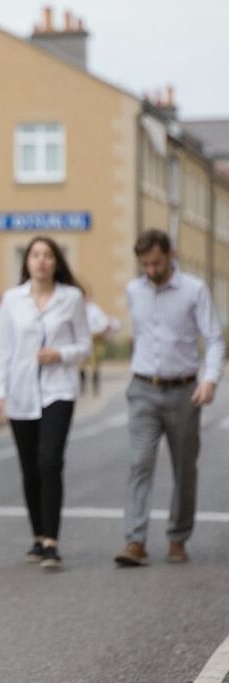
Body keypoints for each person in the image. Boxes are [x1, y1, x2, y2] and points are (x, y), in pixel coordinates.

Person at [114, 229, 224, 567]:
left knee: (183, 469)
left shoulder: (194, 290)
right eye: (145, 264)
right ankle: (134, 541)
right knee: (139, 462)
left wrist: (209, 380)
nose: (150, 270)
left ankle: (178, 537)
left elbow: (215, 339)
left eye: (156, 263)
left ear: (170, 255)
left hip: (183, 392)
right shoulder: (135, 290)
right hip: (144, 389)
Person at [0, 236, 90, 570]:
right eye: (35, 255)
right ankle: (37, 537)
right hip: (21, 391)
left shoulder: (71, 298)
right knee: (29, 468)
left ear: (56, 262)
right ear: (27, 262)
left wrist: (60, 353)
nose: (41, 261)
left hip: (58, 389)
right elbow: (3, 349)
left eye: (48, 255)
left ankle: (52, 541)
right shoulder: (12, 300)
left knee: (49, 462)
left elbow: (85, 346)